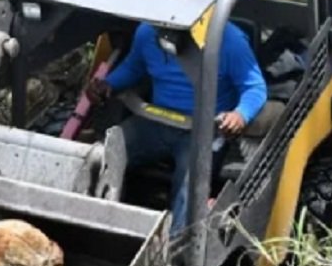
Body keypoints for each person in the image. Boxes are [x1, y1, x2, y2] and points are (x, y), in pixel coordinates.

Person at [86, 21, 267, 234]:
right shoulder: (147, 32)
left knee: (190, 186)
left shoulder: (230, 40)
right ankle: (87, 220)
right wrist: (109, 83)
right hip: (155, 122)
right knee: (104, 153)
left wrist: (240, 114)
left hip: (203, 131)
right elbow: (134, 66)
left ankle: (177, 244)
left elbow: (254, 88)